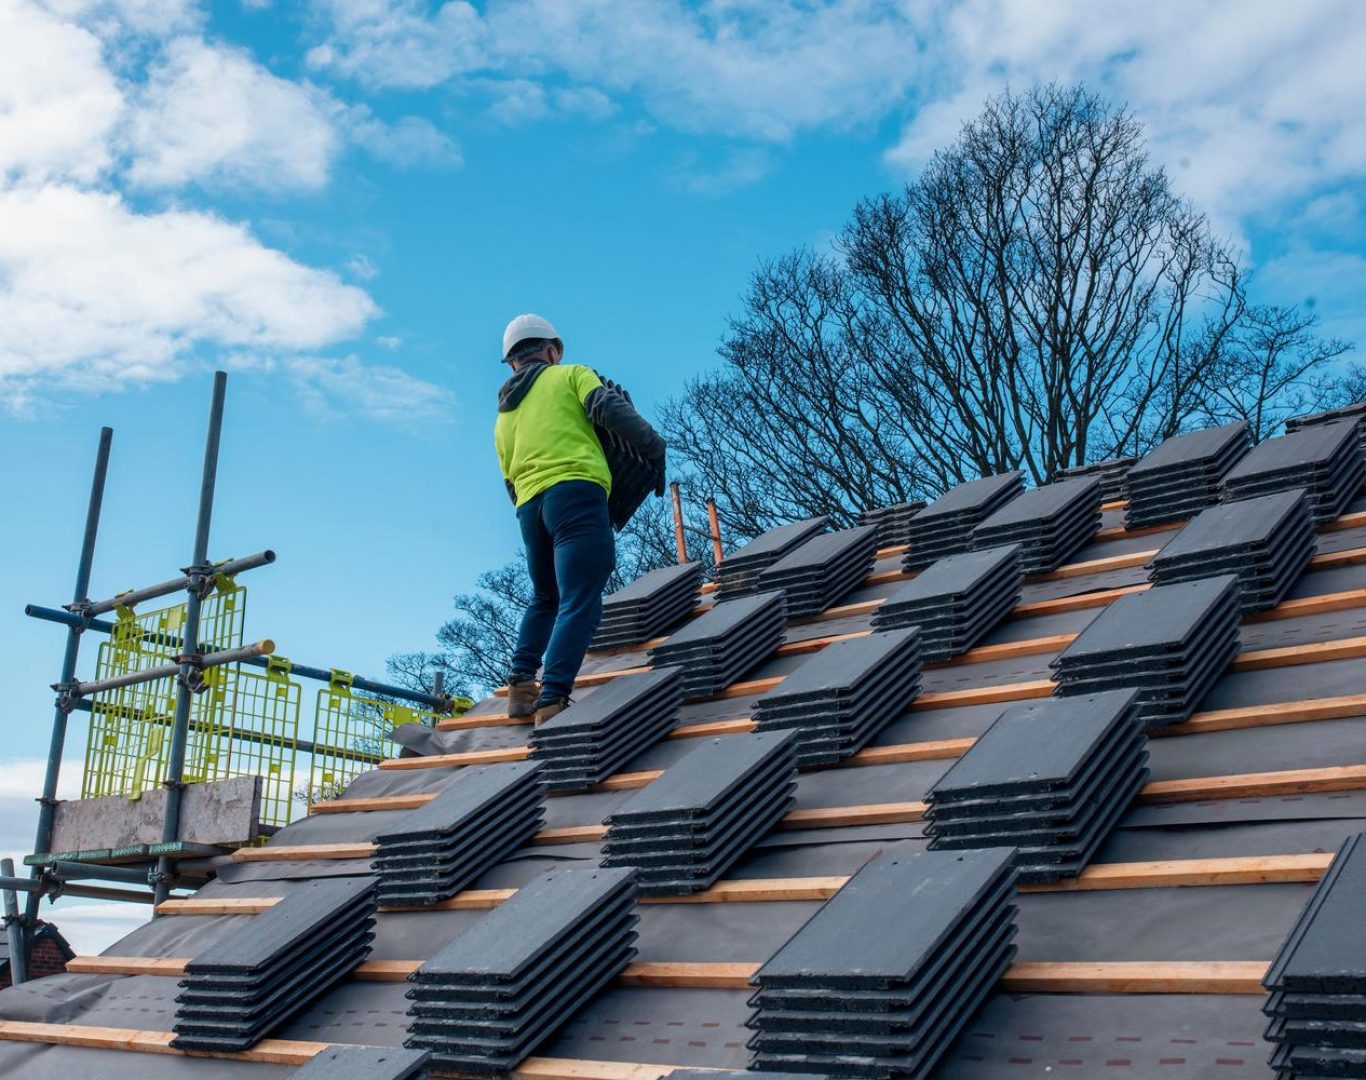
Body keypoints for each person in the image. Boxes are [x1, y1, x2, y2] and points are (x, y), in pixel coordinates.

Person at [495, 313, 666, 723]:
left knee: (545, 597)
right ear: (551, 351)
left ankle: (521, 688)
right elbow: (606, 406)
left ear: (513, 362)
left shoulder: (502, 418)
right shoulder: (571, 374)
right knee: (581, 597)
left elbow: (509, 482)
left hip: (529, 508)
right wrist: (654, 446)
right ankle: (552, 698)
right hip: (576, 492)